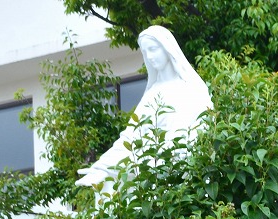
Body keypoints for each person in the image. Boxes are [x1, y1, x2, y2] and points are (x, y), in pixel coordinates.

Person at [77, 25, 214, 188]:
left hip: (181, 161)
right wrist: (102, 167)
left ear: (166, 48)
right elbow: (131, 135)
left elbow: (203, 127)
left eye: (153, 49)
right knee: (109, 180)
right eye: (145, 52)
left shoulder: (191, 87)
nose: (149, 56)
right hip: (151, 162)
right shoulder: (152, 93)